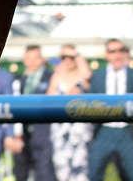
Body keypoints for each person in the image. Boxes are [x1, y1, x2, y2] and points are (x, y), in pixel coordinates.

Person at [86, 39, 133, 181]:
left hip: (127, 130)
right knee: (94, 172)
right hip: (104, 129)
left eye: (120, 50)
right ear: (107, 55)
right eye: (113, 51)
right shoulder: (98, 76)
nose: (117, 55)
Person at [5, 45, 58, 181]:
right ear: (25, 60)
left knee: (45, 174)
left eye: (36, 58)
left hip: (44, 135)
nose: (33, 62)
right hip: (23, 136)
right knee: (20, 173)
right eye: (29, 58)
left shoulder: (51, 78)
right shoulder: (18, 81)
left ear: (42, 59)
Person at [47, 44, 93, 181]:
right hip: (61, 129)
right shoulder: (57, 76)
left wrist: (76, 54)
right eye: (64, 57)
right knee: (62, 168)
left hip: (79, 130)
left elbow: (87, 74)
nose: (67, 60)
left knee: (81, 167)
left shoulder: (82, 75)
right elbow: (49, 98)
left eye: (71, 57)